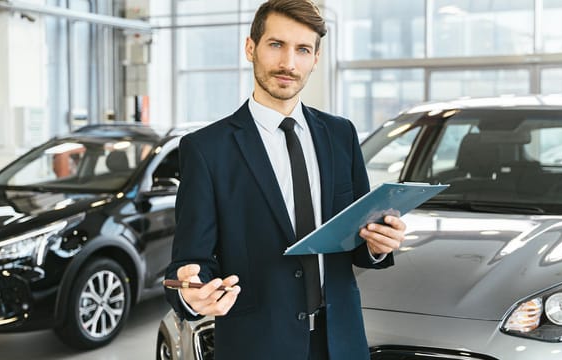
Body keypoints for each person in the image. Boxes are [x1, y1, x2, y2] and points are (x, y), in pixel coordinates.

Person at [164, 1, 406, 359]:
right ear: (251, 48)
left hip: (341, 340)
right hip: (257, 345)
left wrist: (377, 244)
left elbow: (357, 240)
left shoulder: (341, 135)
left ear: (316, 58)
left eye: (302, 50)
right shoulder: (206, 149)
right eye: (276, 45)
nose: (288, 63)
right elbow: (190, 261)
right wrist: (190, 292)